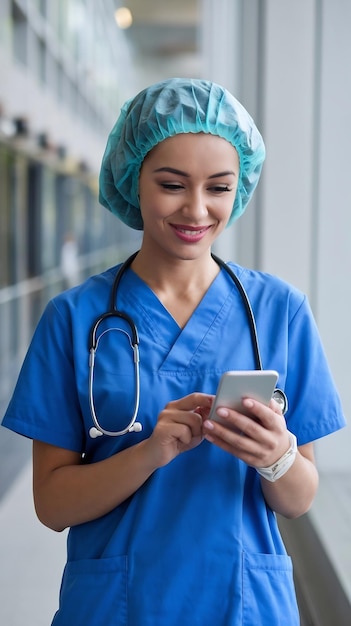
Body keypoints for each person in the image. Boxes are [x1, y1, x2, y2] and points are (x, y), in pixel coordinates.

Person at [1, 78, 345, 625]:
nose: (196, 209)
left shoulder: (280, 311)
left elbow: (298, 498)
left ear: (240, 189)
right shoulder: (73, 318)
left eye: (219, 188)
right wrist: (149, 452)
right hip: (118, 609)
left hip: (244, 608)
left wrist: (276, 455)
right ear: (133, 180)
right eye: (171, 184)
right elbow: (52, 505)